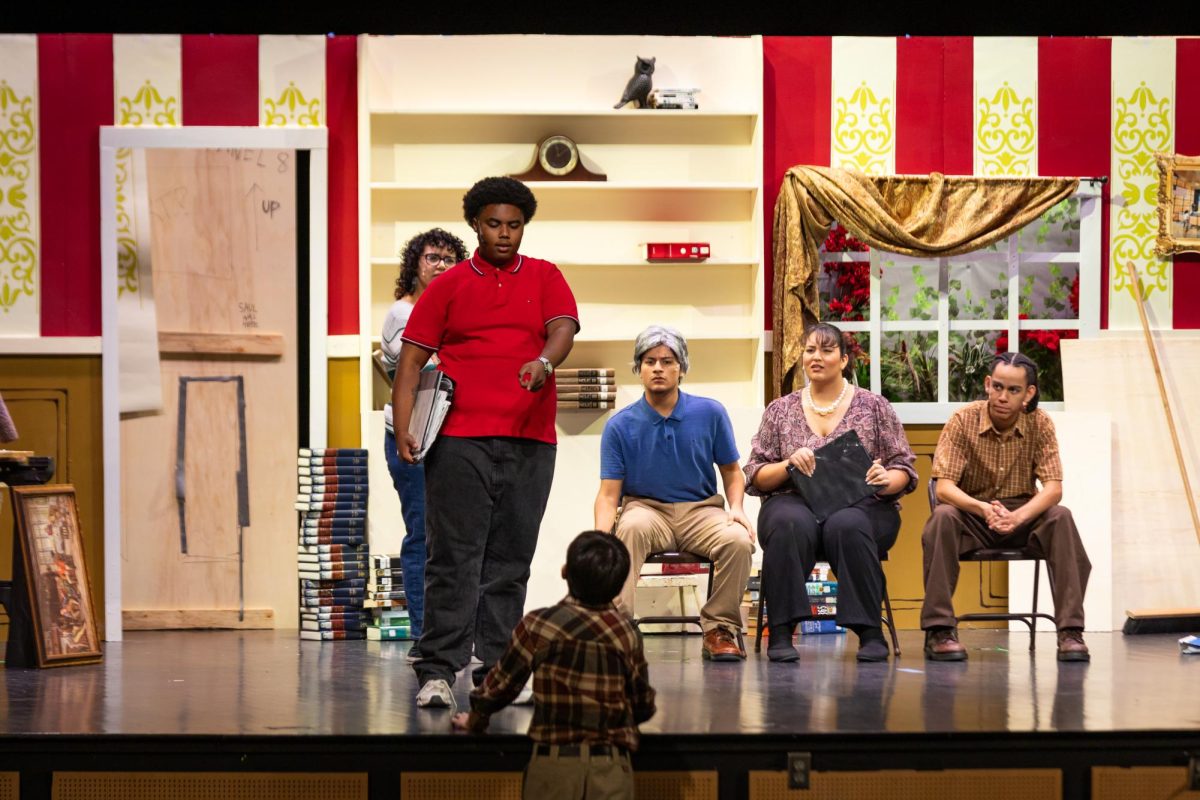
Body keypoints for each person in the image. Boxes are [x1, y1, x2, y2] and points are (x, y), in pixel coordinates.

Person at [392, 177, 579, 708]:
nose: (504, 234)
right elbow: (411, 360)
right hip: (458, 439)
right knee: (453, 558)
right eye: (494, 224)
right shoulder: (449, 285)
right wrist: (406, 425)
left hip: (530, 438)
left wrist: (544, 362)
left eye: (514, 225)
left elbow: (563, 328)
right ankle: (437, 670)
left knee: (510, 560)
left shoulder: (544, 276)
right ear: (475, 224)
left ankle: (496, 668)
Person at [745, 322, 916, 663]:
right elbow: (755, 474)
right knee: (788, 523)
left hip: (863, 502)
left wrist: (886, 479)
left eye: (826, 350)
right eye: (810, 350)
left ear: (843, 359)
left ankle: (869, 632)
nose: (816, 357)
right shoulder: (780, 410)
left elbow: (905, 470)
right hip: (794, 501)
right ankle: (780, 631)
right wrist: (788, 465)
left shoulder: (874, 406)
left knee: (847, 524)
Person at [452, 531, 656, 800]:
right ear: (619, 586)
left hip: (554, 767)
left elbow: (499, 688)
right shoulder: (626, 633)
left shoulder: (539, 625)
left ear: (565, 572)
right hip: (611, 769)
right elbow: (642, 704)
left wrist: (476, 721)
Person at [594, 325, 755, 661]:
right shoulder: (620, 425)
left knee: (738, 540)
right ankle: (617, 627)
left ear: (681, 368)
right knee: (629, 530)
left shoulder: (709, 413)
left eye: (667, 361)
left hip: (702, 510)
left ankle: (719, 628)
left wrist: (737, 507)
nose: (658, 368)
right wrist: (600, 537)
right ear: (638, 369)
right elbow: (609, 494)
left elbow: (731, 470)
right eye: (649, 361)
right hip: (646, 510)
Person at [921, 351, 1091, 663]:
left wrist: (1017, 517)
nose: (1002, 397)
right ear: (987, 384)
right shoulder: (963, 420)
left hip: (1022, 514)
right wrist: (983, 509)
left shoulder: (1040, 423)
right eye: (997, 387)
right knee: (942, 517)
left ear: (1029, 394)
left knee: (1061, 518)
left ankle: (1070, 631)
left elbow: (1053, 488)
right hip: (971, 512)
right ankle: (940, 630)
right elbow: (944, 488)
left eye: (1013, 390)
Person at [381, 227, 468, 658]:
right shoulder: (403, 312)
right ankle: (422, 634)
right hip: (411, 432)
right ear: (415, 265)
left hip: (448, 433)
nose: (440, 266)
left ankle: (450, 634)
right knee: (423, 536)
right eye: (432, 257)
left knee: (451, 538)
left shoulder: (458, 309)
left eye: (449, 259)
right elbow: (416, 365)